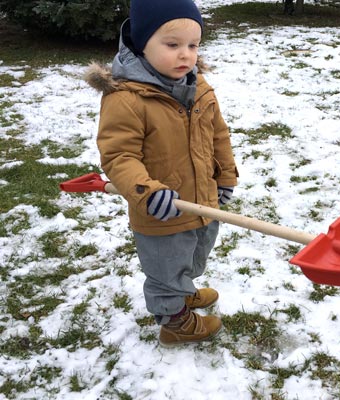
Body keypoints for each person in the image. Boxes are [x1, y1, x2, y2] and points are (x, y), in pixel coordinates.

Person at [84, 0, 238, 346]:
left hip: (201, 200)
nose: (186, 55)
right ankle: (174, 321)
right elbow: (119, 156)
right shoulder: (126, 98)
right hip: (160, 210)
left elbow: (219, 135)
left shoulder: (199, 87)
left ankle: (182, 291)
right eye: (172, 45)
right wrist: (147, 192)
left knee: (194, 253)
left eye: (193, 45)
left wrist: (225, 176)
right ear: (142, 44)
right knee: (165, 266)